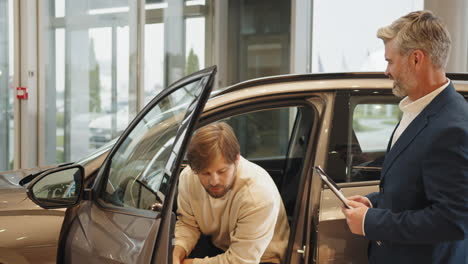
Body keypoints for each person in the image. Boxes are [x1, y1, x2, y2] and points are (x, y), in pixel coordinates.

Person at [342, 10, 468, 264]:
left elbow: (451, 221)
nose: (386, 71)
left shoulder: (453, 127)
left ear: (416, 59)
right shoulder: (417, 107)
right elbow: (415, 189)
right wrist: (373, 201)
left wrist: (371, 222)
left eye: (390, 61)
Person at [173, 122, 290, 264]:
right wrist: (176, 253)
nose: (214, 181)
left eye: (222, 171)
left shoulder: (258, 195)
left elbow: (240, 261)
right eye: (205, 173)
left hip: (263, 258)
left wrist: (187, 263)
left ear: (236, 159)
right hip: (222, 247)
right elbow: (188, 223)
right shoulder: (188, 177)